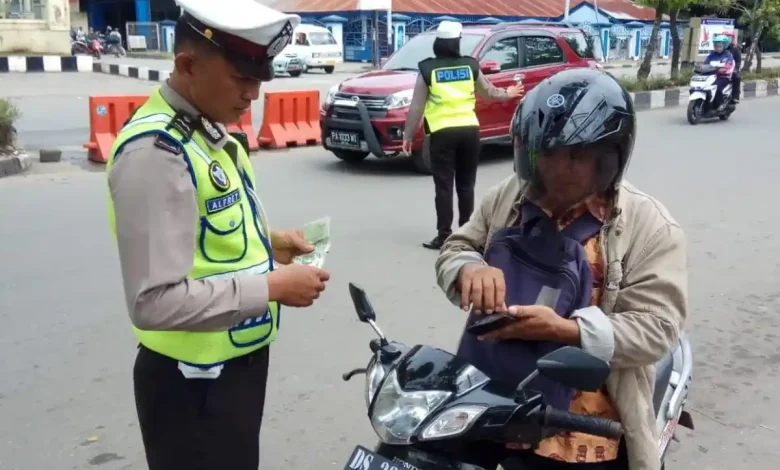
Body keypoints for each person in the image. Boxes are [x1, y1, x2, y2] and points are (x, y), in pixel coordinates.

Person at [105, 0, 331, 468]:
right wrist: (271, 287)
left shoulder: (201, 128)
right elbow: (153, 301)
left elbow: (200, 235)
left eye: (259, 80)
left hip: (226, 370)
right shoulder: (157, 152)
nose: (253, 95)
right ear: (187, 65)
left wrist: (273, 244)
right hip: (192, 387)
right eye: (242, 78)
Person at [435, 69, 688, 470]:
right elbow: (458, 246)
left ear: (609, 156)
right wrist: (468, 268)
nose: (560, 168)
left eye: (579, 156)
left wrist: (567, 331)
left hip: (584, 427)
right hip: (490, 396)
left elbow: (658, 329)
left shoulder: (651, 227)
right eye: (549, 153)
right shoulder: (509, 196)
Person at [402, 20, 524, 251]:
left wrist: (408, 135)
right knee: (467, 185)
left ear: (437, 43)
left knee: (444, 186)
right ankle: (468, 234)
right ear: (457, 43)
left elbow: (416, 107)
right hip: (469, 131)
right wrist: (508, 93)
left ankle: (444, 235)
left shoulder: (428, 69)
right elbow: (490, 92)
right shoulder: (470, 66)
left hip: (442, 133)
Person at [703, 34, 735, 109]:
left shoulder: (728, 55)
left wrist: (723, 69)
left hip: (723, 77)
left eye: (720, 46)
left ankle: (720, 104)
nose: (718, 48)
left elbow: (728, 65)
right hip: (711, 76)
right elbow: (705, 63)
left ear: (724, 46)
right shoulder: (712, 55)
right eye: (716, 46)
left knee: (716, 87)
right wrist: (701, 68)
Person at [723, 31, 742, 103]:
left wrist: (735, 69)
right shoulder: (719, 48)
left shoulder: (735, 49)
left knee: (737, 77)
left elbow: (738, 62)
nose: (727, 39)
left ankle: (735, 96)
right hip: (719, 69)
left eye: (729, 37)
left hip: (731, 69)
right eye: (726, 37)